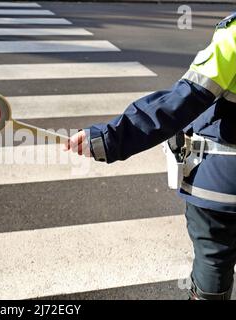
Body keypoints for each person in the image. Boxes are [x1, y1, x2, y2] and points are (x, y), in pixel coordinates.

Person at [65, 12, 236, 300]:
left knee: (213, 257)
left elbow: (180, 102)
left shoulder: (232, 37)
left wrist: (108, 139)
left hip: (222, 183)